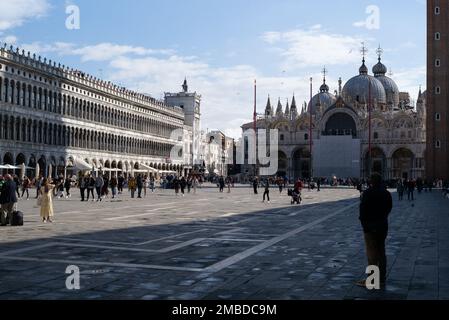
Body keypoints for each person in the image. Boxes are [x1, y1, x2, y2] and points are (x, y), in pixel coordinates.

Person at [357, 173, 392, 287]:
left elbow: (362, 210)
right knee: (381, 252)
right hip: (382, 226)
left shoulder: (367, 193)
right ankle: (381, 278)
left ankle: (372, 280)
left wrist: (364, 224)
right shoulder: (386, 193)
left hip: (370, 227)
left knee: (372, 254)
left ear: (371, 182)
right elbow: (389, 208)